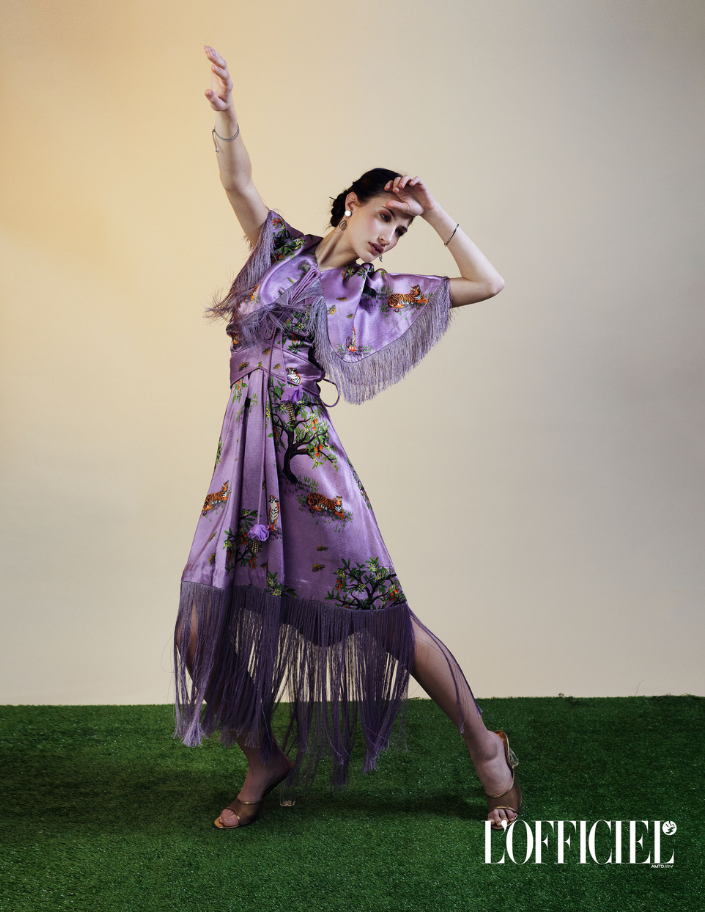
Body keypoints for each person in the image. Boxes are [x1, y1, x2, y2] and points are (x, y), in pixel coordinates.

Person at [173, 44, 523, 831]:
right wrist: (227, 118)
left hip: (311, 466)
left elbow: (486, 283)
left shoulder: (380, 292)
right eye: (385, 218)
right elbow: (237, 182)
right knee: (202, 623)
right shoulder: (279, 251)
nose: (391, 237)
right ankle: (262, 756)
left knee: (384, 620)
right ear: (350, 206)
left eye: (402, 228)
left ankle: (485, 746)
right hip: (243, 465)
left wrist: (434, 212)